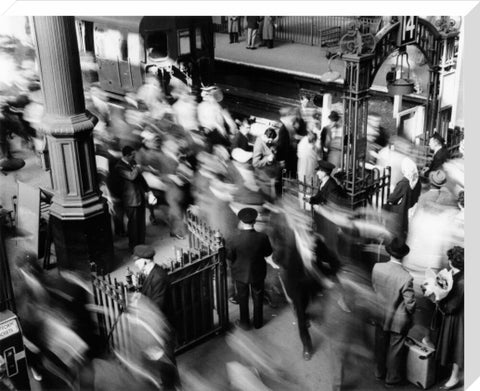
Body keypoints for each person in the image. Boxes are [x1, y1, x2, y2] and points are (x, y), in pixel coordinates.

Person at [372, 238, 416, 388]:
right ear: (403, 256)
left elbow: (375, 288)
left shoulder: (377, 267)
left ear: (389, 252)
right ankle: (392, 379)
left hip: (380, 313)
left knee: (380, 344)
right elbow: (410, 304)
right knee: (395, 350)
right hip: (398, 319)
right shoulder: (406, 277)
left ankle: (379, 372)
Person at [227, 208, 274, 330]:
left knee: (243, 298)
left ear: (241, 222)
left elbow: (230, 256)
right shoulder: (262, 237)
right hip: (257, 273)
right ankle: (258, 323)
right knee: (258, 297)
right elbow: (268, 253)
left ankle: (245, 323)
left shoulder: (233, 239)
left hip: (240, 274)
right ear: (254, 222)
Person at [435, 246, 464, 390]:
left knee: (457, 346)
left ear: (452, 261)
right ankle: (453, 374)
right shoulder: (458, 274)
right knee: (456, 344)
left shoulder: (461, 282)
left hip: (457, 318)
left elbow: (452, 307)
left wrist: (438, 300)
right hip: (459, 315)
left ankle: (455, 377)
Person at [115, 146, 149, 251]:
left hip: (140, 197)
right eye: (132, 155)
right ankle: (134, 247)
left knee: (141, 223)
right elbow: (131, 176)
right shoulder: (119, 167)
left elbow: (140, 178)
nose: (134, 157)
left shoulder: (133, 163)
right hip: (131, 200)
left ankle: (141, 244)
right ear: (126, 156)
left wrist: (147, 190)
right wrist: (138, 168)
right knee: (133, 225)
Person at [384, 157, 421, 245]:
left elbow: (392, 198)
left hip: (399, 211)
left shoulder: (404, 183)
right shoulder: (416, 180)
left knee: (396, 230)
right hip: (409, 209)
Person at [133, 245, 170, 314]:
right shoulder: (150, 271)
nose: (135, 264)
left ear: (145, 262)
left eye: (137, 261)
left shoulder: (159, 278)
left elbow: (157, 307)